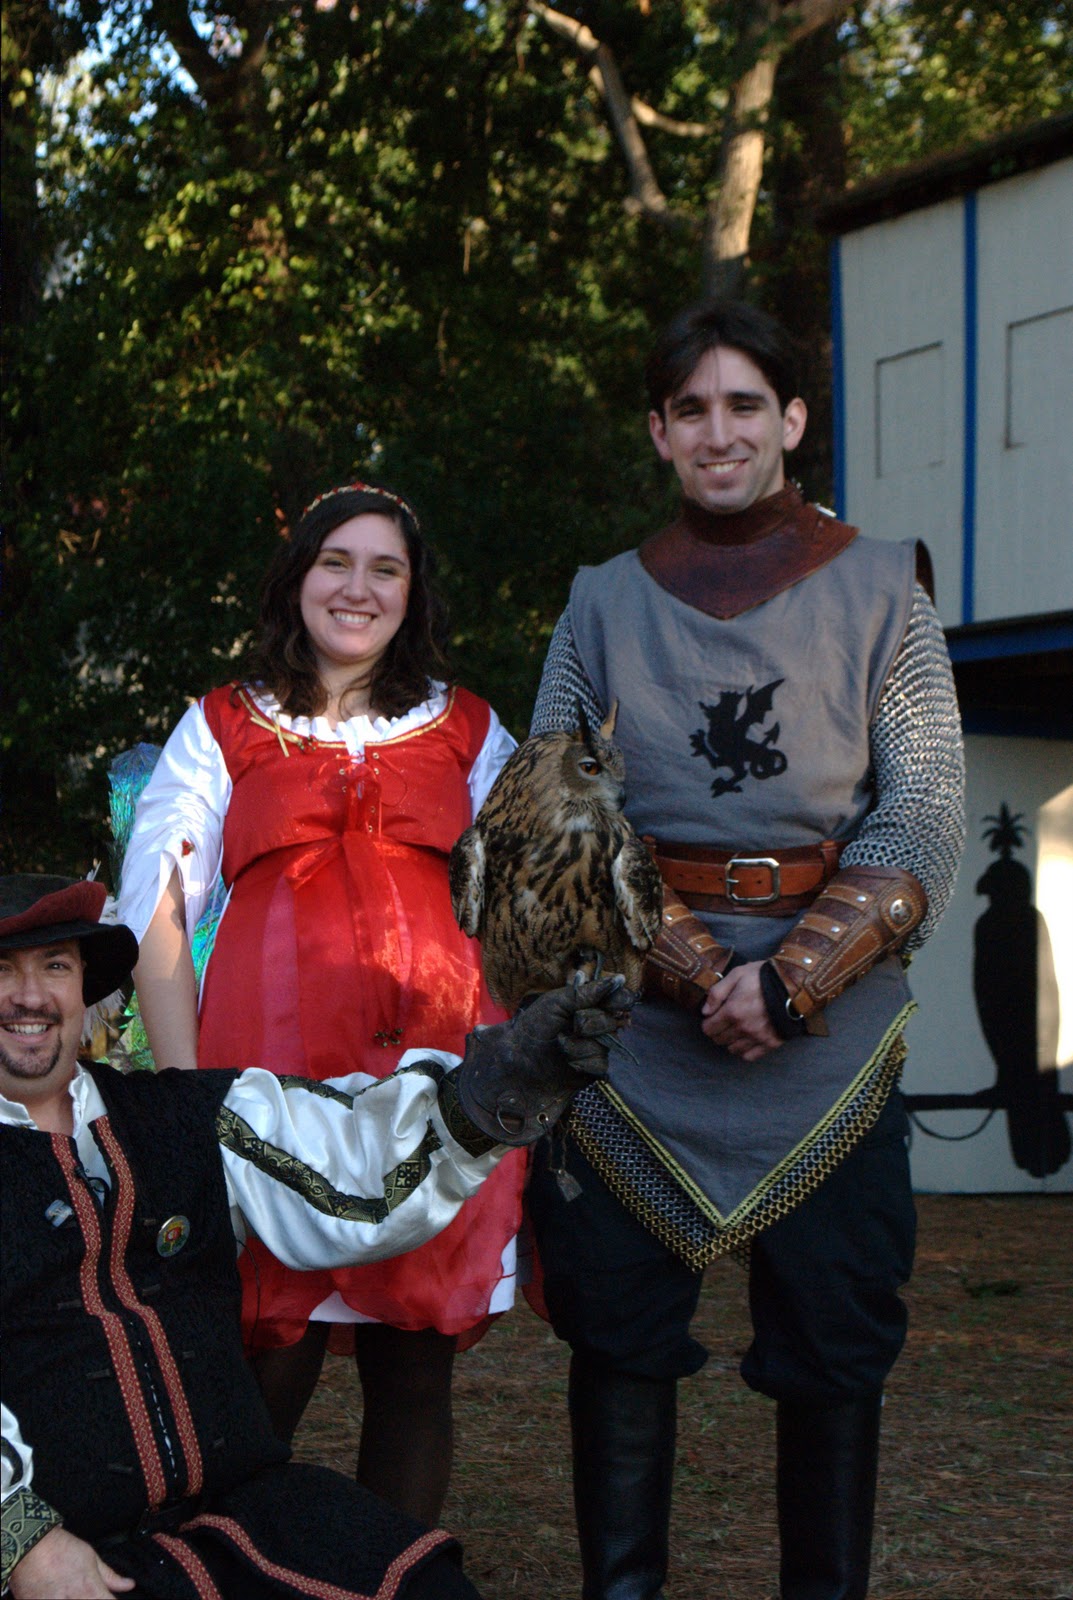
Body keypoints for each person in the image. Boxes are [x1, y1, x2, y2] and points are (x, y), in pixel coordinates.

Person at [525, 299, 966, 1599]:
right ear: (660, 431)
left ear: (791, 419)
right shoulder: (601, 601)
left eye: (743, 404)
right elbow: (559, 807)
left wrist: (790, 980)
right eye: (691, 408)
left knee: (833, 1345)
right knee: (617, 1336)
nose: (718, 431)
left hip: (827, 1036)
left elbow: (925, 801)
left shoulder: (884, 585)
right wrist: (691, 965)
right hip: (640, 1037)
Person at [0, 872, 627, 1599]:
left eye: (55, 967)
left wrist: (492, 1093)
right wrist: (26, 1543)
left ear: (84, 991)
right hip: (73, 1553)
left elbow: (351, 1159)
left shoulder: (186, 1115)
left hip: (242, 1510)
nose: (31, 996)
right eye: (3, 971)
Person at [116, 481, 524, 1524]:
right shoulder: (221, 725)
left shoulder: (470, 729)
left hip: (437, 1080)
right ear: (297, 576)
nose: (357, 587)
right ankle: (227, 1573)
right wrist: (183, 1092)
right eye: (335, 561)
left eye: (384, 567)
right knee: (265, 1359)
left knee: (411, 1367)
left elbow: (530, 903)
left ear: (412, 591)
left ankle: (390, 1579)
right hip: (267, 1086)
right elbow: (158, 906)